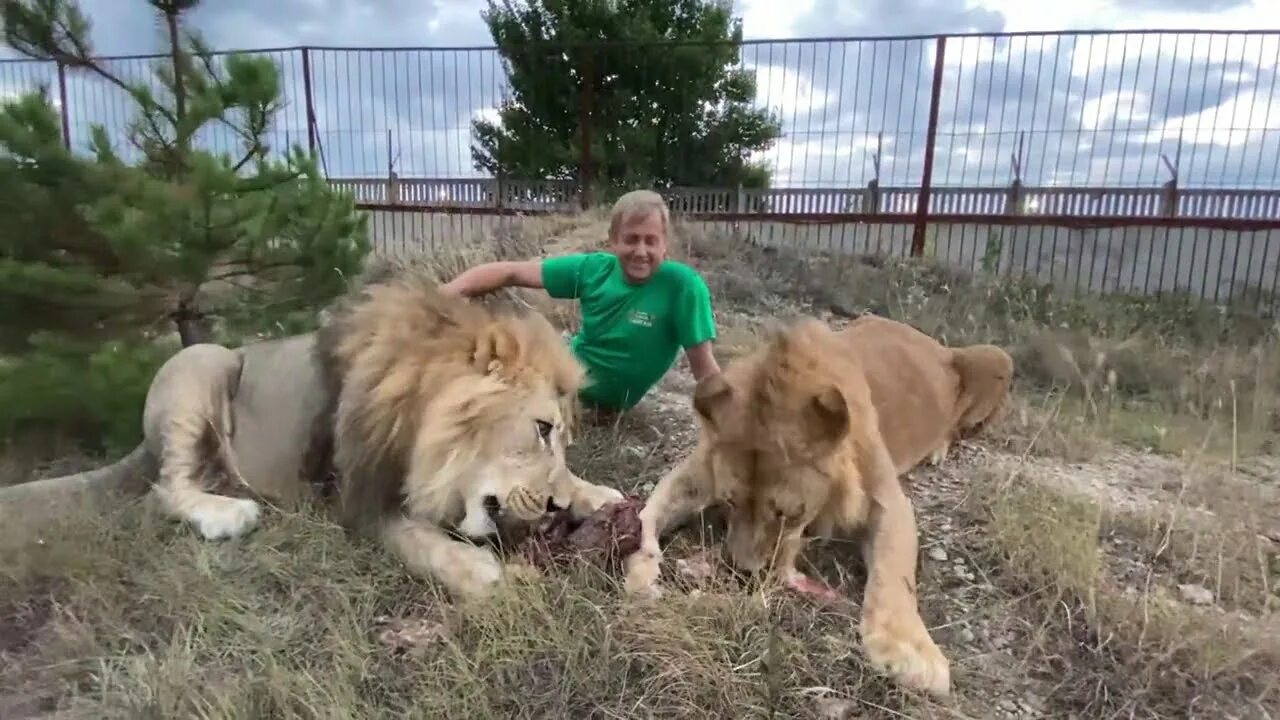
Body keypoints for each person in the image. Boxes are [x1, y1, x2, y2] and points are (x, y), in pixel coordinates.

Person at [438, 189, 721, 412]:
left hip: (601, 408)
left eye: (651, 240)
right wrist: (445, 294)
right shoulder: (593, 269)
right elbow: (512, 271)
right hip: (557, 383)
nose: (641, 251)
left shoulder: (682, 286)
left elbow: (704, 369)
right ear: (613, 241)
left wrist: (730, 421)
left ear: (664, 245)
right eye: (631, 239)